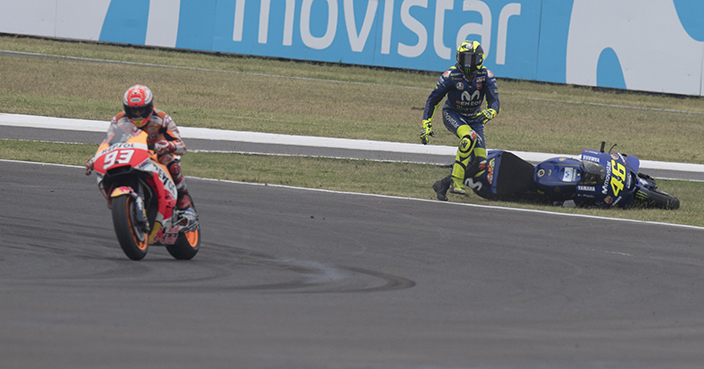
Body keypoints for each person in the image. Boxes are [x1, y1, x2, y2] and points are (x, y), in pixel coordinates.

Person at [86, 84, 193, 210]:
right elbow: (108, 143)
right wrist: (96, 159)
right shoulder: (118, 120)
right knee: (107, 169)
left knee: (172, 164)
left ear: (150, 107)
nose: (137, 114)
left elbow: (182, 146)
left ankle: (182, 195)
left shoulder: (162, 119)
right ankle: (114, 197)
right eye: (132, 110)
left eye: (141, 110)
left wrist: (168, 145)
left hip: (158, 154)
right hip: (131, 154)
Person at [419, 40, 500, 201]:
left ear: (480, 59)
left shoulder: (486, 76)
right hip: (453, 114)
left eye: (471, 59)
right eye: (464, 59)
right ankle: (456, 182)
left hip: (475, 119)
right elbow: (433, 100)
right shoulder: (450, 76)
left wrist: (491, 111)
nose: (467, 64)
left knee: (481, 164)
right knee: (468, 137)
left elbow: (494, 101)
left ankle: (443, 183)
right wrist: (426, 124)